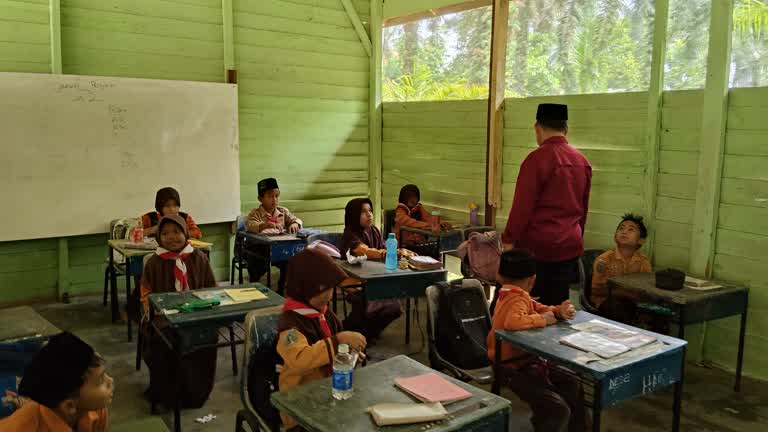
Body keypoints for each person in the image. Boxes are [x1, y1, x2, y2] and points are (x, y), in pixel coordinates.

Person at [502, 103, 592, 306]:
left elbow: (522, 207)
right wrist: (576, 237)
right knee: (557, 306)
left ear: (537, 127)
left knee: (527, 306)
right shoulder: (582, 161)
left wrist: (509, 239)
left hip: (537, 248)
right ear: (566, 129)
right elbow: (583, 209)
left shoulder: (536, 159)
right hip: (569, 246)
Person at [487, 250, 585, 432]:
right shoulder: (515, 299)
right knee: (557, 409)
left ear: (499, 276)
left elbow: (538, 307)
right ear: (533, 279)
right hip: (511, 367)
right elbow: (512, 322)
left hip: (525, 361)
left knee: (571, 381)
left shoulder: (514, 294)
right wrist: (544, 319)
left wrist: (558, 311)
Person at [277, 249, 366, 429]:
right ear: (310, 289)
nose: (331, 295)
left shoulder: (325, 314)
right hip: (299, 405)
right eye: (328, 289)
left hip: (328, 394)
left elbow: (335, 350)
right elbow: (300, 360)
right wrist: (338, 340)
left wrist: (348, 355)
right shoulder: (290, 326)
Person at [140, 214, 217, 408]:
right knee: (163, 338)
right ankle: (167, 393)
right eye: (165, 233)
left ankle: (195, 393)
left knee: (207, 334)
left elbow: (211, 288)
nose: (171, 237)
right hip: (164, 317)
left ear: (185, 233)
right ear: (159, 237)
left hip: (197, 314)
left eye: (176, 232)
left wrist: (204, 308)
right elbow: (146, 293)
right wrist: (151, 310)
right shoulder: (154, 262)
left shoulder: (198, 257)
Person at [0, 332, 112, 432]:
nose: (110, 380)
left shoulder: (95, 409)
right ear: (69, 405)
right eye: (101, 380)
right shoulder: (24, 428)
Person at [339, 198, 405, 341]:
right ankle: (356, 332)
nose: (369, 214)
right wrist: (385, 254)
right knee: (370, 306)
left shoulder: (374, 230)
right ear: (354, 215)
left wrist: (400, 252)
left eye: (370, 210)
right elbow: (364, 250)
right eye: (363, 212)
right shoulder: (350, 234)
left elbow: (384, 248)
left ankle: (366, 333)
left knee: (395, 308)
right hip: (354, 282)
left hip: (374, 278)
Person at [245, 178, 303, 294]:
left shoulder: (283, 211)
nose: (275, 199)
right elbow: (251, 225)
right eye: (270, 196)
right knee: (255, 265)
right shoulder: (255, 213)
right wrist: (264, 225)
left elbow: (296, 219)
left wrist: (295, 224)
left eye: (277, 196)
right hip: (259, 249)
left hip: (278, 248)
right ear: (260, 199)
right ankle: (254, 288)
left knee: (289, 260)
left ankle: (281, 289)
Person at [591, 213, 652, 323]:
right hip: (606, 302)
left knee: (655, 316)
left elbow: (646, 290)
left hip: (632, 303)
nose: (624, 232)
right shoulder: (604, 260)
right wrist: (623, 293)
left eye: (631, 229)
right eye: (621, 228)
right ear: (615, 237)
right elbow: (595, 290)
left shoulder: (643, 262)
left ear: (641, 240)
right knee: (619, 308)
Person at [393, 184, 451, 257]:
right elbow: (407, 221)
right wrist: (427, 225)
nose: (412, 199)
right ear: (403, 198)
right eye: (409, 197)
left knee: (437, 248)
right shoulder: (400, 210)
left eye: (414, 197)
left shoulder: (419, 207)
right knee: (432, 251)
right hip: (404, 244)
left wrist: (441, 223)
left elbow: (427, 218)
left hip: (418, 242)